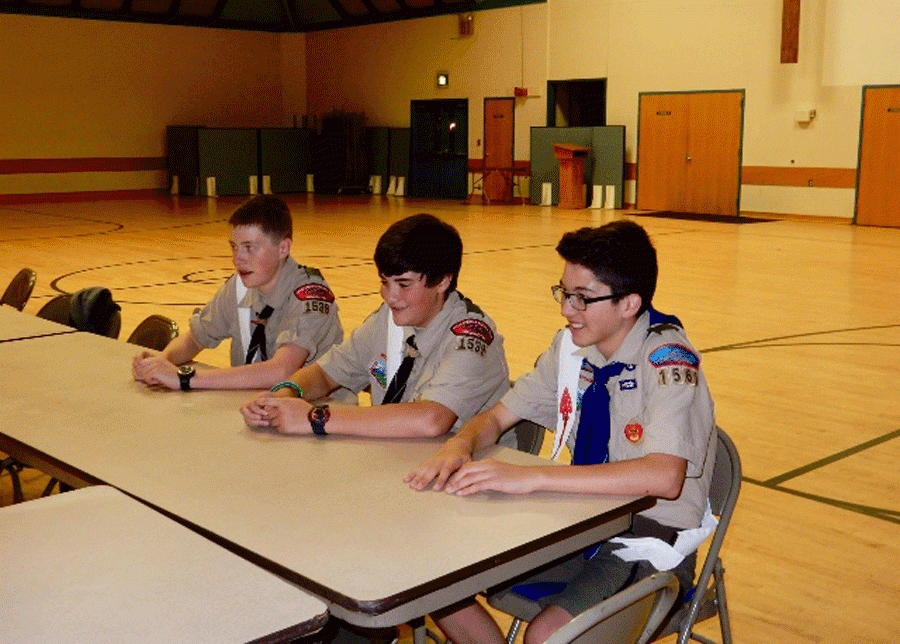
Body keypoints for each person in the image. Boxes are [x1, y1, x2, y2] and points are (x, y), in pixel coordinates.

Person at [405, 220, 717, 644]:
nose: (567, 310)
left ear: (629, 304)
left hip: (646, 544)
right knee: (428, 575)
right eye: (564, 294)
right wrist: (459, 446)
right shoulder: (572, 350)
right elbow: (496, 418)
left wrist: (531, 476)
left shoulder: (668, 360)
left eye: (583, 299)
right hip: (578, 525)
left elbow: (664, 476)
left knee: (550, 636)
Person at [240, 213, 511, 440]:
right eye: (384, 281)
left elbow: (432, 419)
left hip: (465, 475)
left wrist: (316, 417)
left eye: (404, 284)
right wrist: (284, 395)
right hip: (396, 459)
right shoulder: (387, 320)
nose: (389, 296)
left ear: (442, 282)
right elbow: (324, 374)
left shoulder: (471, 337)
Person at [132, 194, 344, 391]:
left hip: (317, 410)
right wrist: (162, 362)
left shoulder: (311, 295)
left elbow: (282, 371)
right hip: (256, 405)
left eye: (249, 247)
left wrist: (187, 378)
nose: (238, 259)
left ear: (283, 248)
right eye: (234, 247)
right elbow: (195, 339)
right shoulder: (239, 286)